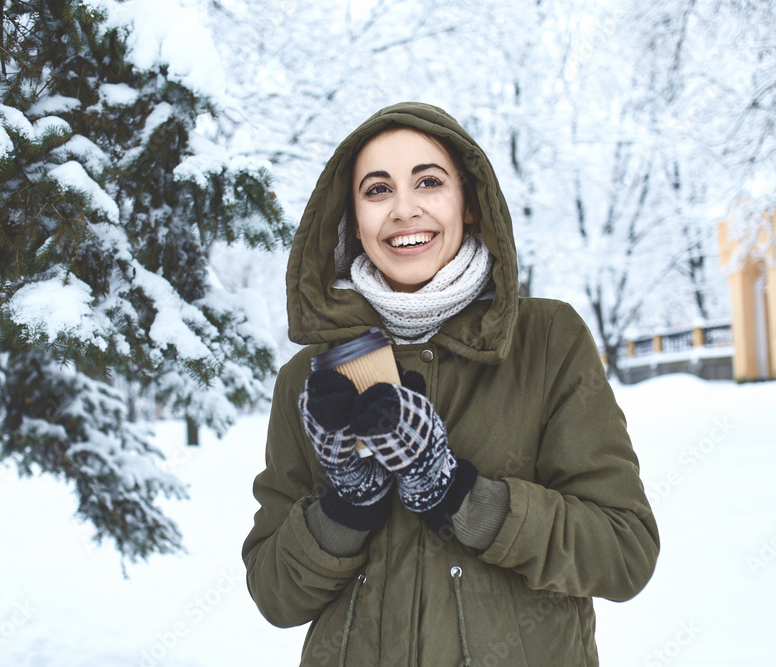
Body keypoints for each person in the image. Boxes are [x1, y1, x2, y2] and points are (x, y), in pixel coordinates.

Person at [242, 102, 659, 666]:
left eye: (429, 182)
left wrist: (455, 491)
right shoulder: (310, 376)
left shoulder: (546, 339)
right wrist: (346, 501)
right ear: (352, 218)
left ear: (469, 203)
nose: (403, 209)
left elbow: (622, 551)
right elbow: (275, 594)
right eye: (377, 190)